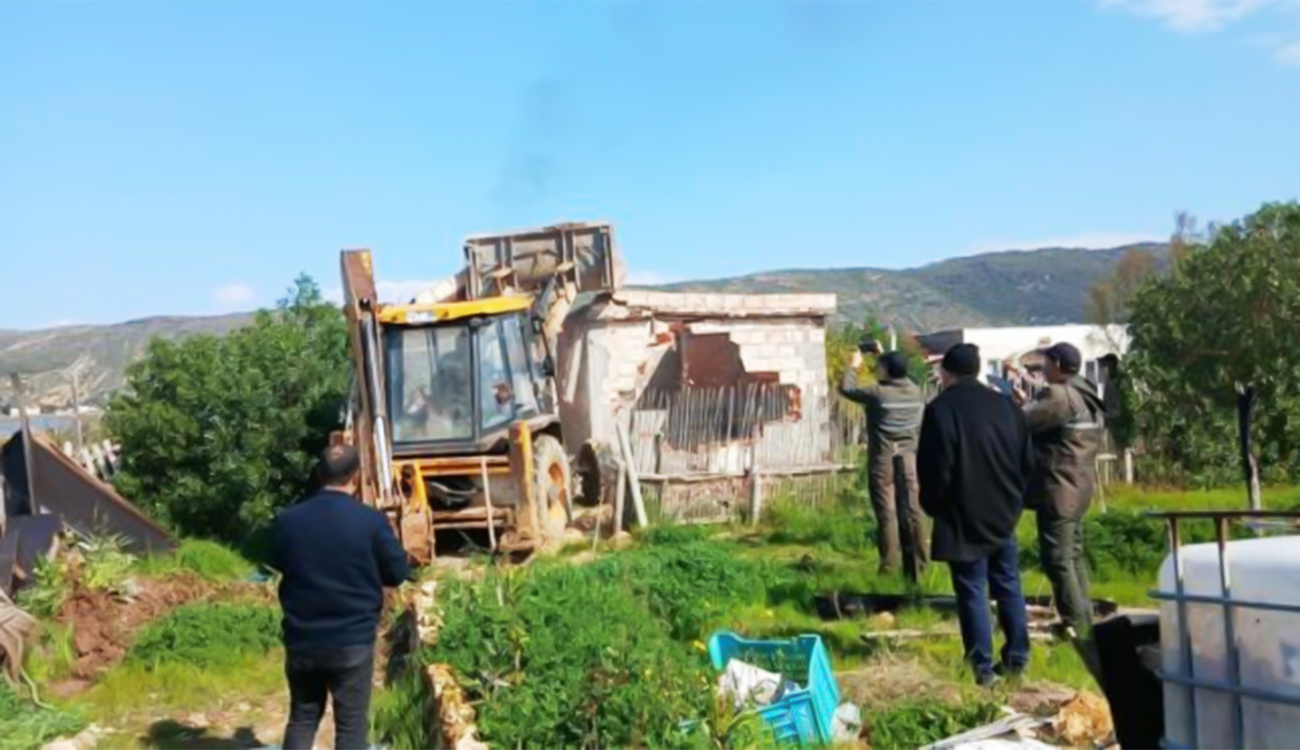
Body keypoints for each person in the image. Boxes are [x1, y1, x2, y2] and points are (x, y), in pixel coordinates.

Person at [269, 445, 412, 750]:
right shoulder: (370, 521)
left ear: (319, 474)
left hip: (303, 639)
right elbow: (397, 573)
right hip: (352, 641)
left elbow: (278, 561)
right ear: (356, 477)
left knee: (303, 717)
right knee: (351, 724)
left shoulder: (288, 520)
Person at [918, 343, 1035, 685]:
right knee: (1008, 584)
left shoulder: (942, 410)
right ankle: (1016, 659)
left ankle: (981, 668)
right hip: (1003, 510)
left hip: (961, 511)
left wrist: (935, 506)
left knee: (972, 589)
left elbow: (935, 467)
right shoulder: (1007, 407)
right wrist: (1014, 498)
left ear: (946, 372)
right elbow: (1027, 461)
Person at [1016, 342, 1106, 641]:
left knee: (1057, 558)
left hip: (1058, 488)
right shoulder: (1087, 394)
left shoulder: (1059, 395)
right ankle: (1084, 619)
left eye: (1044, 362)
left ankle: (1075, 625)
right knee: (1073, 556)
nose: (1042, 368)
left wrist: (1019, 406)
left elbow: (1022, 423)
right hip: (1079, 487)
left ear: (1056, 363)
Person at [839, 346, 929, 581]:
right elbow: (904, 373)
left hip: (883, 457)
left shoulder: (878, 393)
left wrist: (853, 365)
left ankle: (889, 568)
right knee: (912, 510)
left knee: (886, 512)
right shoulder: (917, 391)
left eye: (880, 365)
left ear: (887, 370)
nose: (876, 368)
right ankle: (919, 568)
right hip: (910, 456)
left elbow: (847, 388)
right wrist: (885, 351)